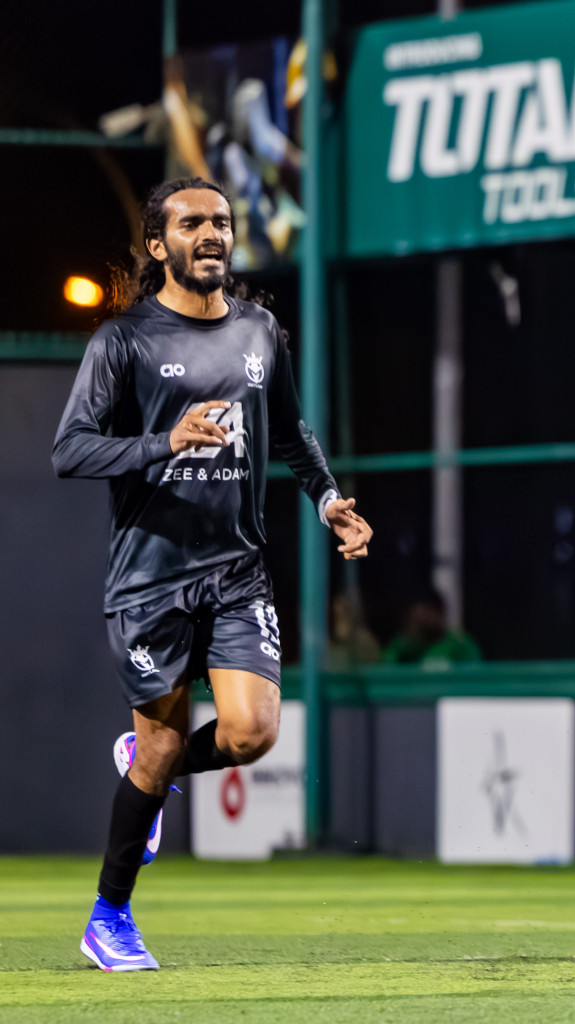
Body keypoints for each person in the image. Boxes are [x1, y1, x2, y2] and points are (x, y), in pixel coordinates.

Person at [53, 177, 371, 971]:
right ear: (158, 244)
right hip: (150, 579)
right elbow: (70, 449)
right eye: (192, 222)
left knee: (252, 732)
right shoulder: (122, 341)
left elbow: (291, 431)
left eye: (222, 222)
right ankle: (109, 918)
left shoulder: (259, 330)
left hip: (237, 572)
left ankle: (149, 773)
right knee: (159, 750)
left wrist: (327, 498)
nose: (212, 233)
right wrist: (164, 442)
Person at [382, 591, 481, 667]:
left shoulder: (460, 643)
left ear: (439, 613)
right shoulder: (403, 645)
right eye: (415, 620)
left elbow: (474, 673)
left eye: (426, 618)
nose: (421, 621)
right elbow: (386, 670)